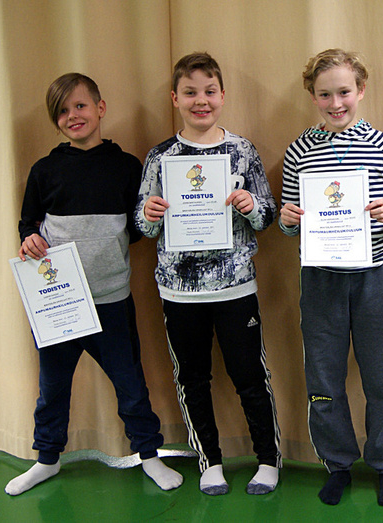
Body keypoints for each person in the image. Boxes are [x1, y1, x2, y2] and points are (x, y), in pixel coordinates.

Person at [7, 73, 183, 496]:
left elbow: (137, 230)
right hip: (58, 304)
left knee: (130, 385)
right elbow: (28, 223)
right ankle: (46, 459)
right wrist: (29, 238)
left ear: (100, 108)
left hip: (111, 301)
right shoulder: (44, 170)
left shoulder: (127, 167)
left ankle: (149, 455)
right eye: (62, 111)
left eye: (80, 106)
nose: (73, 116)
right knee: (51, 389)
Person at [135, 52, 281, 496]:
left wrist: (252, 206)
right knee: (192, 380)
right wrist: (150, 214)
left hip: (236, 286)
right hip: (179, 292)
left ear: (222, 95)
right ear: (175, 98)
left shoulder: (242, 150)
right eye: (190, 92)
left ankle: (268, 460)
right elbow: (142, 226)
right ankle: (209, 461)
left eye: (209, 91)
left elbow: (268, 215)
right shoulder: (160, 156)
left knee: (250, 377)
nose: (201, 100)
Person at [279, 49, 383, 506]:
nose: (335, 103)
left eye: (343, 92)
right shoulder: (299, 150)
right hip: (320, 279)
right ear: (312, 96)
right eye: (324, 95)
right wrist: (288, 219)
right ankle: (337, 463)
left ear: (360, 90)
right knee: (323, 377)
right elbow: (288, 223)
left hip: (374, 276)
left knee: (381, 376)